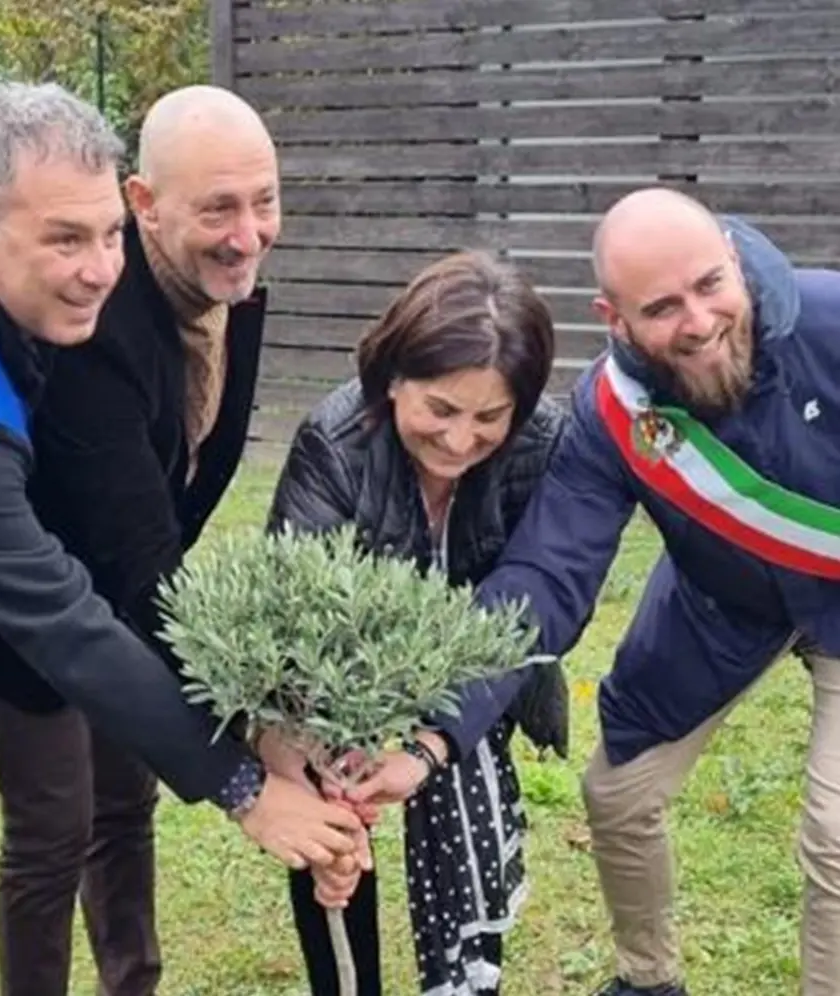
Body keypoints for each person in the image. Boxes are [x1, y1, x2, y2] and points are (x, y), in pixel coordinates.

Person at [0, 81, 365, 996]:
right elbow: (58, 612)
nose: (98, 270)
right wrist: (243, 782)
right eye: (64, 240)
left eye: (106, 235)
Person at [352, 187, 840, 996]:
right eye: (662, 307)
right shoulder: (613, 415)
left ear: (731, 255)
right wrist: (435, 731)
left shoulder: (829, 320)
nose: (699, 320)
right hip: (723, 607)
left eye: (710, 284)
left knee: (836, 835)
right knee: (616, 791)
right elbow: (546, 575)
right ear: (614, 320)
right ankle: (647, 980)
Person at [0, 82, 288, 996]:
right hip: (35, 615)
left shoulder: (230, 286)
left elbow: (183, 494)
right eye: (217, 208)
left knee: (126, 807)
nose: (246, 233)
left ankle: (132, 984)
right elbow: (137, 556)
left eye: (264, 201)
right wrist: (251, 727)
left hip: (131, 601)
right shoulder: (97, 318)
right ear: (145, 204)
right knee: (53, 829)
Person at [261, 250, 570, 996]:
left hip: (474, 667)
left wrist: (430, 745)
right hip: (350, 672)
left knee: (460, 792)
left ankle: (464, 981)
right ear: (395, 377)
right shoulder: (331, 443)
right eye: (440, 409)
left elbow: (534, 609)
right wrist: (302, 759)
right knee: (334, 807)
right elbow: (288, 627)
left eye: (490, 416)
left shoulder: (543, 445)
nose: (462, 441)